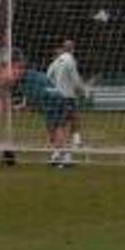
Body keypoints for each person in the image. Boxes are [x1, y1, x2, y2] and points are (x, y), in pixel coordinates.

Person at [44, 39, 90, 168]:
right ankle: (66, 158)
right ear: (72, 48)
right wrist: (83, 91)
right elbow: (75, 80)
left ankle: (56, 154)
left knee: (58, 126)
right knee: (66, 125)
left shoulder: (55, 62)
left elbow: (48, 78)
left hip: (54, 97)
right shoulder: (70, 60)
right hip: (67, 97)